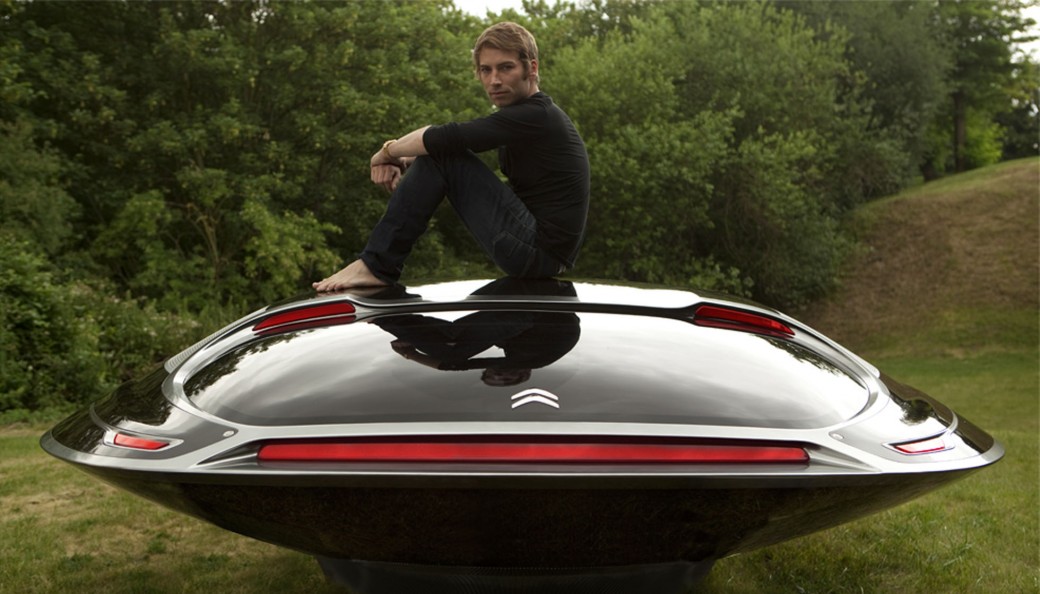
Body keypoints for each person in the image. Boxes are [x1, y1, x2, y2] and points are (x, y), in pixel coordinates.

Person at [313, 22, 590, 292]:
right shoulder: (528, 117)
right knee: (440, 153)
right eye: (486, 70)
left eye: (506, 67)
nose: (494, 80)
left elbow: (444, 137)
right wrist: (405, 161)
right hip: (539, 252)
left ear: (532, 68)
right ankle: (378, 268)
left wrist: (386, 153)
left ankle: (376, 265)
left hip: (537, 250)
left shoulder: (536, 115)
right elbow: (447, 145)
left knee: (441, 155)